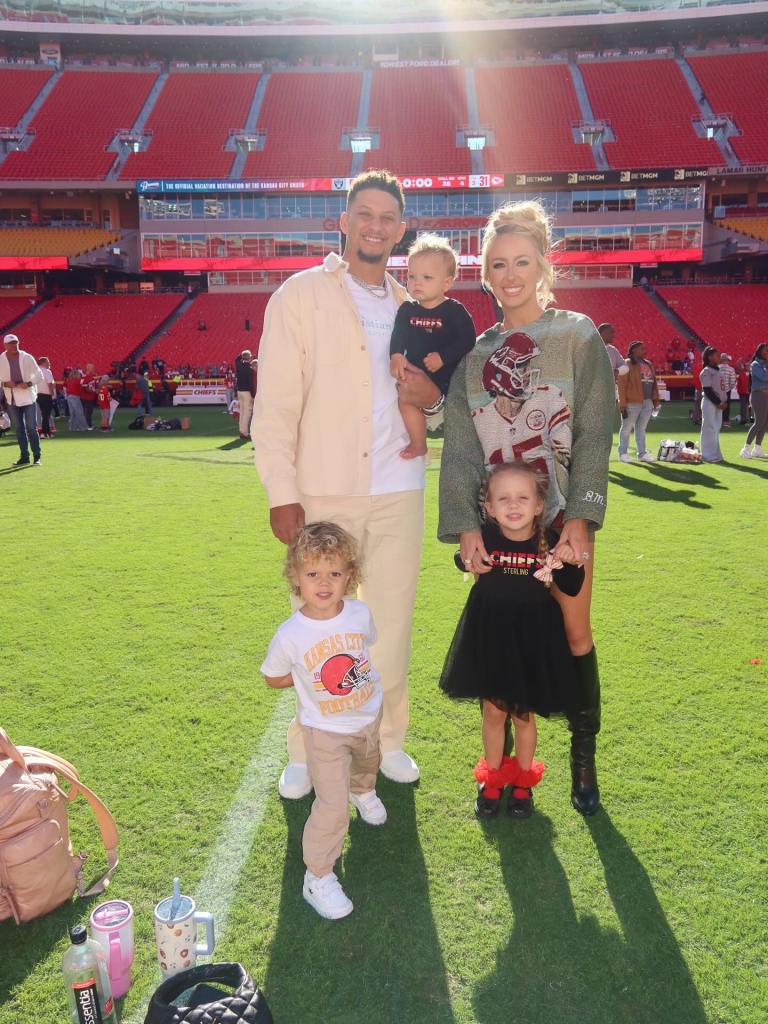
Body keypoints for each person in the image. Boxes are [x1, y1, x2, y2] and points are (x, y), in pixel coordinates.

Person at [252, 169, 441, 799]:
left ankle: (388, 743)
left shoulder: (412, 308)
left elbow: (430, 399)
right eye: (365, 213)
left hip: (398, 487)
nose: (376, 226)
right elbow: (275, 404)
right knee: (321, 622)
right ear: (344, 219)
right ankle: (307, 754)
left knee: (390, 625)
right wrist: (282, 490)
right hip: (323, 488)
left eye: (388, 217)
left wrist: (430, 400)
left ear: (401, 230)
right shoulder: (299, 296)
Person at [438, 200, 614, 817]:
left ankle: (583, 759)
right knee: (503, 642)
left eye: (521, 261)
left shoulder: (577, 335)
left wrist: (578, 519)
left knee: (572, 633)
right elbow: (460, 449)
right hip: (503, 527)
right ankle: (504, 771)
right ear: (484, 272)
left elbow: (594, 431)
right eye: (497, 263)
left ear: (543, 263)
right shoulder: (476, 358)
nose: (509, 274)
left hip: (563, 521)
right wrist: (465, 525)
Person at [440, 463, 584, 819]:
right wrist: (466, 558)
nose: (513, 505)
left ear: (539, 505)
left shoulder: (550, 540)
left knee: (523, 716)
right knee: (492, 712)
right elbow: (463, 559)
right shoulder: (484, 537)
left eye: (523, 497)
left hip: (532, 640)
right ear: (488, 508)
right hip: (490, 635)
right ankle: (491, 779)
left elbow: (571, 587)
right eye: (503, 498)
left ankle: (522, 781)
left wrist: (571, 562)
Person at [261, 523, 385, 920]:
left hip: (367, 716)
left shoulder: (360, 612)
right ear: (295, 577)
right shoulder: (291, 634)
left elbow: (362, 649)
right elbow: (271, 676)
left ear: (350, 575)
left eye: (334, 572)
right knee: (330, 807)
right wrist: (302, 677)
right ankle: (318, 875)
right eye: (313, 573)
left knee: (369, 763)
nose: (324, 582)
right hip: (325, 732)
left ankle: (363, 791)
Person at [389, 235, 475, 458]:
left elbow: (467, 340)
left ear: (446, 283)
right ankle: (419, 443)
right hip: (417, 375)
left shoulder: (454, 311)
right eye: (412, 276)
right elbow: (399, 335)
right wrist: (396, 355)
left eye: (427, 277)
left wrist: (443, 357)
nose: (417, 282)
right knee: (405, 403)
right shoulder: (407, 310)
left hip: (446, 378)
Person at [0, 332, 43, 466]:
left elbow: (39, 375)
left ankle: (37, 457)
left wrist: (29, 383)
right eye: (11, 343)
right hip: (11, 398)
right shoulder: (0, 359)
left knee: (31, 427)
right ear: (5, 345)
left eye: (16, 343)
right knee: (19, 428)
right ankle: (24, 457)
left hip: (28, 397)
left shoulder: (27, 357)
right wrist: (4, 384)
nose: (14, 345)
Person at [617, 341, 660, 464]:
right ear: (634, 350)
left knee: (641, 428)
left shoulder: (648, 364)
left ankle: (642, 454)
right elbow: (621, 384)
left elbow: (654, 383)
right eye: (641, 349)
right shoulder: (626, 364)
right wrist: (622, 403)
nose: (644, 351)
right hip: (632, 402)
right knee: (626, 428)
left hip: (647, 402)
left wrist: (656, 400)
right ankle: (623, 453)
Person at [740, 343, 768, 459]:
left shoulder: (766, 364)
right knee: (758, 422)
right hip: (758, 396)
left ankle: (757, 448)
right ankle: (745, 449)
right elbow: (764, 377)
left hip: (765, 397)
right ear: (759, 351)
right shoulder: (755, 364)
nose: (767, 352)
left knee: (765, 422)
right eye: (766, 350)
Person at [699, 346, 726, 463]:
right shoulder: (706, 371)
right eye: (717, 355)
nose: (719, 357)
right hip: (710, 403)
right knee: (709, 427)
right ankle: (707, 454)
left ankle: (715, 453)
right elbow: (708, 390)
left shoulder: (717, 370)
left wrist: (723, 401)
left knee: (716, 428)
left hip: (718, 404)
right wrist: (718, 402)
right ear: (710, 357)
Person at [235, 349, 255, 439]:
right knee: (247, 413)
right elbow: (251, 383)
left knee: (242, 412)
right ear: (250, 358)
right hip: (247, 392)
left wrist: (243, 355)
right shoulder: (249, 368)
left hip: (240, 391)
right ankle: (245, 433)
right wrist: (253, 395)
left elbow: (237, 359)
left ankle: (241, 431)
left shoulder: (239, 365)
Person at [36, 356, 56, 438]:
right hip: (46, 395)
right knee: (46, 415)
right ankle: (45, 432)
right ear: (43, 363)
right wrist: (52, 394)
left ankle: (44, 432)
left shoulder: (35, 371)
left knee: (41, 414)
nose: (49, 363)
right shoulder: (47, 371)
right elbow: (49, 383)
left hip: (37, 395)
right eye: (48, 362)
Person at [719, 353, 737, 428]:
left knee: (717, 406)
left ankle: (717, 421)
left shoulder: (716, 368)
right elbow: (733, 381)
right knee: (726, 406)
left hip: (717, 391)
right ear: (727, 360)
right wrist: (729, 388)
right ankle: (725, 421)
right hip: (726, 390)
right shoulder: (731, 369)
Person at [81, 362, 98, 431]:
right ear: (89, 369)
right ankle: (88, 426)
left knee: (89, 412)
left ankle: (87, 425)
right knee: (88, 412)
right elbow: (84, 388)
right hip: (86, 398)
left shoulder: (92, 377)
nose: (94, 369)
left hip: (90, 397)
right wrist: (94, 391)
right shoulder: (84, 378)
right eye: (93, 368)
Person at [736, 359, 751, 428]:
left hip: (750, 392)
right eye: (747, 366)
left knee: (751, 407)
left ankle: (750, 419)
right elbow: (738, 384)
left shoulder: (752, 374)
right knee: (743, 406)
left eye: (749, 366)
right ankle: (743, 419)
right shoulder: (741, 374)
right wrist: (739, 391)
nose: (748, 367)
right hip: (742, 393)